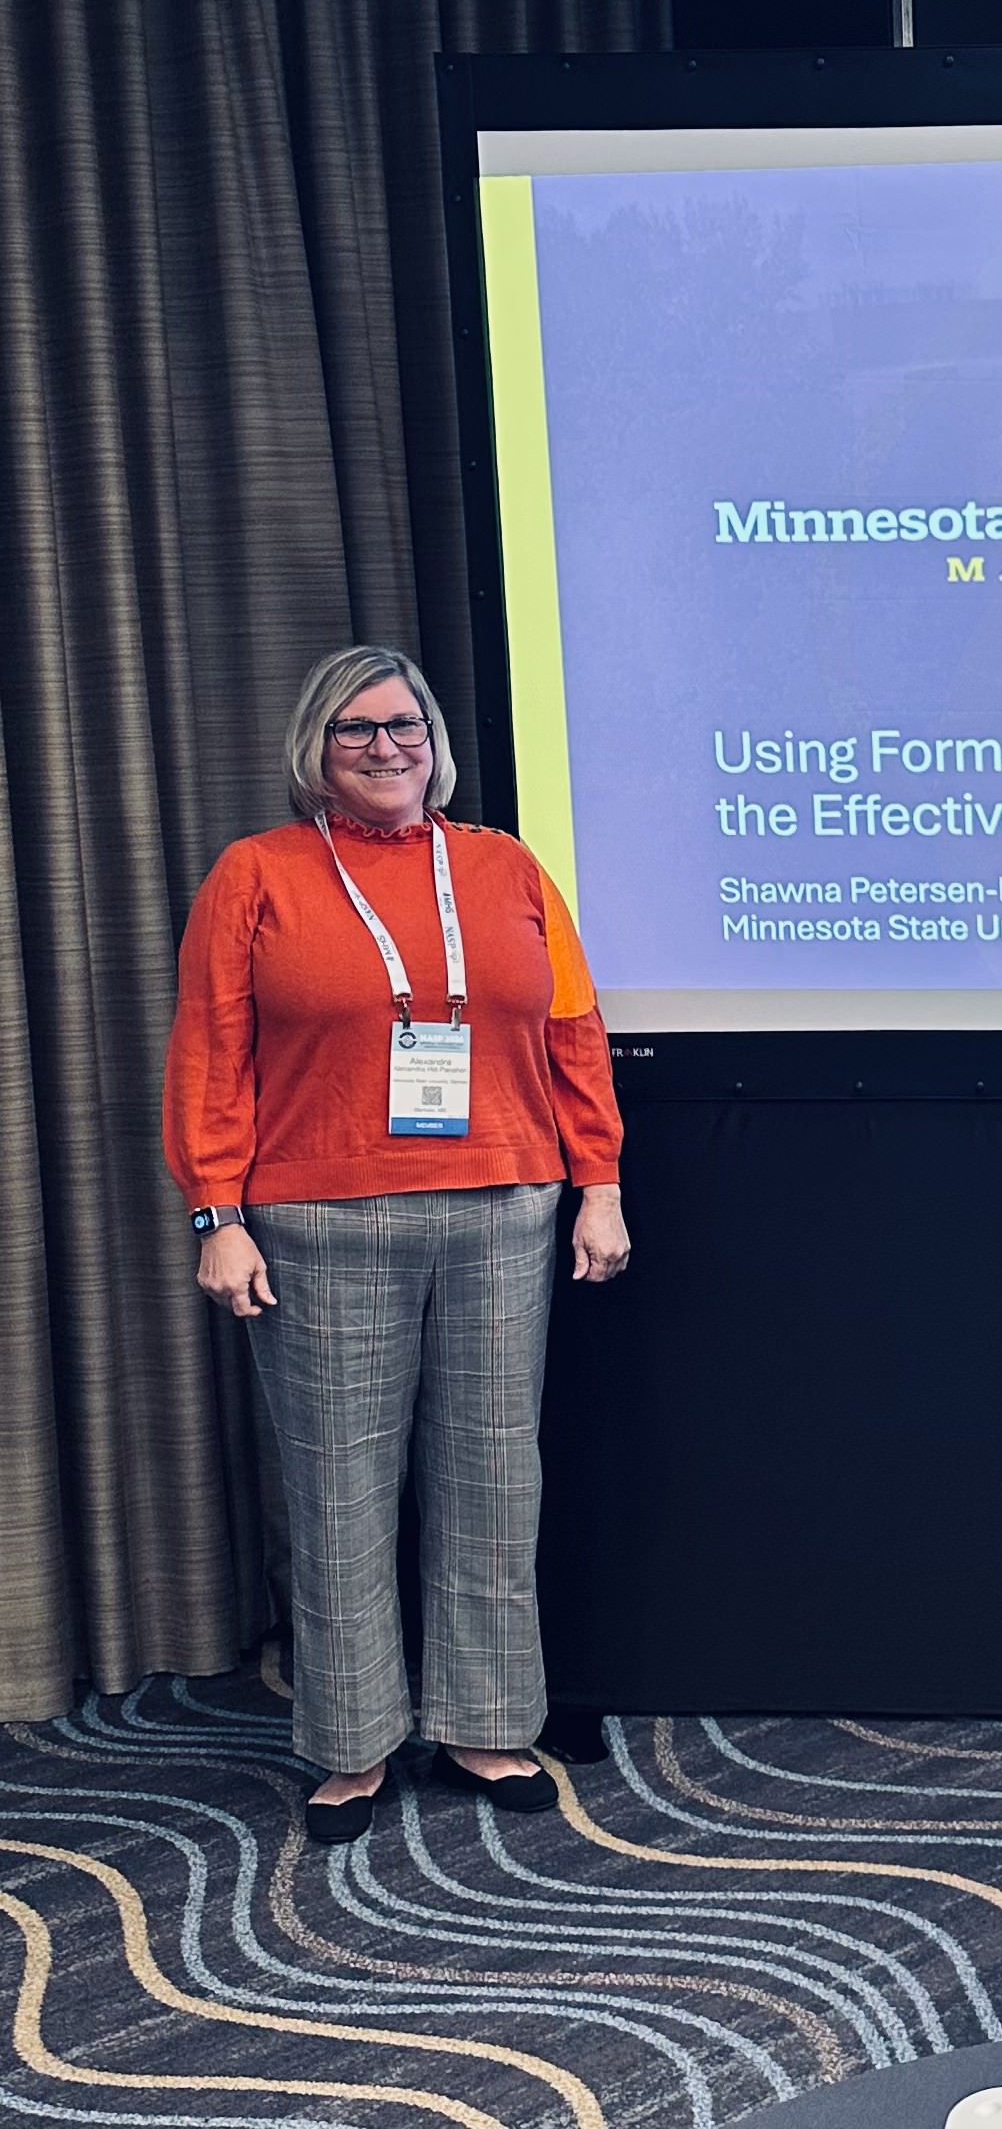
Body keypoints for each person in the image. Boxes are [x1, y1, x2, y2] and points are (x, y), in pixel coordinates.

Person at [164, 646, 630, 1843]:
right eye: (355, 731)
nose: (385, 746)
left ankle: (484, 1721)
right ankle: (352, 1742)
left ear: (435, 738)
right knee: (339, 1491)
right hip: (321, 1220)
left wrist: (600, 1183)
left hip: (504, 1206)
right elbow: (212, 1052)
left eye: (403, 724)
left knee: (491, 1475)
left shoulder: (506, 866)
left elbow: (573, 1030)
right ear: (316, 753)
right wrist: (217, 1214)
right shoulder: (255, 874)